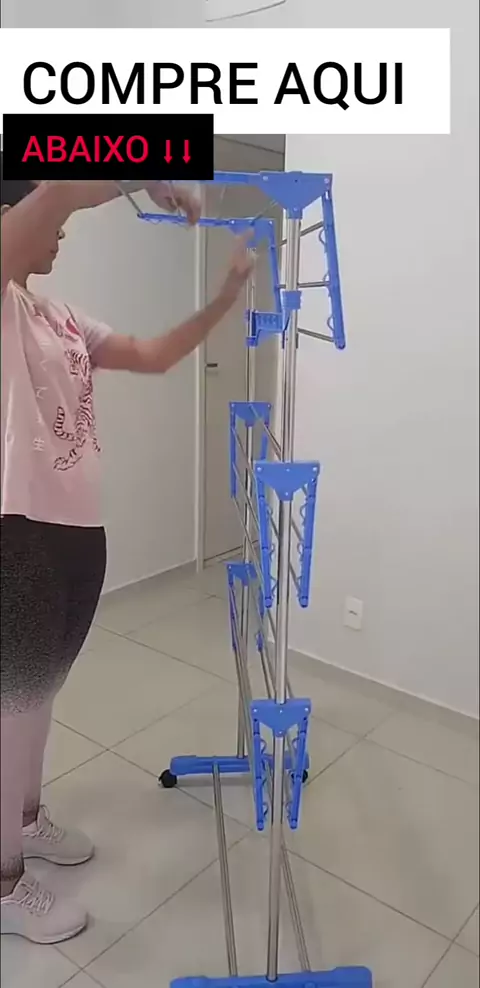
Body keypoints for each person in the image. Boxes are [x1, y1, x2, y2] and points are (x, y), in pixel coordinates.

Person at [0, 175, 254, 944]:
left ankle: (26, 820)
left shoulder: (57, 315)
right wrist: (145, 172)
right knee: (10, 711)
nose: (61, 232)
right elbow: (55, 199)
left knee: (38, 700)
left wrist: (225, 296)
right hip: (17, 533)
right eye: (36, 215)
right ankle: (2, 885)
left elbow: (152, 354)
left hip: (77, 532)